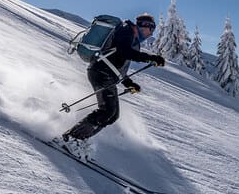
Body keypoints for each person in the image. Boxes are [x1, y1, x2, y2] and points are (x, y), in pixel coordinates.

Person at [62, 13, 165, 157]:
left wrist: (129, 83)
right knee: (107, 111)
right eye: (151, 29)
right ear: (144, 25)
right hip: (100, 72)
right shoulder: (126, 30)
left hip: (107, 74)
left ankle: (78, 138)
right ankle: (71, 138)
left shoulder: (133, 40)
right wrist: (150, 58)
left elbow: (119, 67)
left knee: (112, 115)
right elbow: (125, 52)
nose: (151, 33)